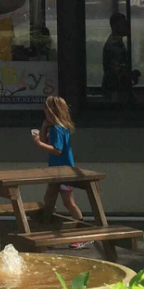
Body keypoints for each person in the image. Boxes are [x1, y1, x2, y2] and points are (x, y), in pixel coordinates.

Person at [31, 95, 87, 246]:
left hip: (63, 172)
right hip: (58, 171)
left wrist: (37, 143)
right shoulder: (58, 127)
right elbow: (45, 140)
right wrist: (43, 127)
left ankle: (82, 233)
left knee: (67, 202)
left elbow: (56, 150)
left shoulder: (57, 129)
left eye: (47, 112)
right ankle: (50, 231)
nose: (45, 115)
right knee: (50, 200)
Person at [101, 13, 138, 103]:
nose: (127, 26)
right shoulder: (115, 44)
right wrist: (131, 75)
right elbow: (117, 70)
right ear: (115, 26)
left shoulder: (114, 41)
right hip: (116, 90)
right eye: (124, 24)